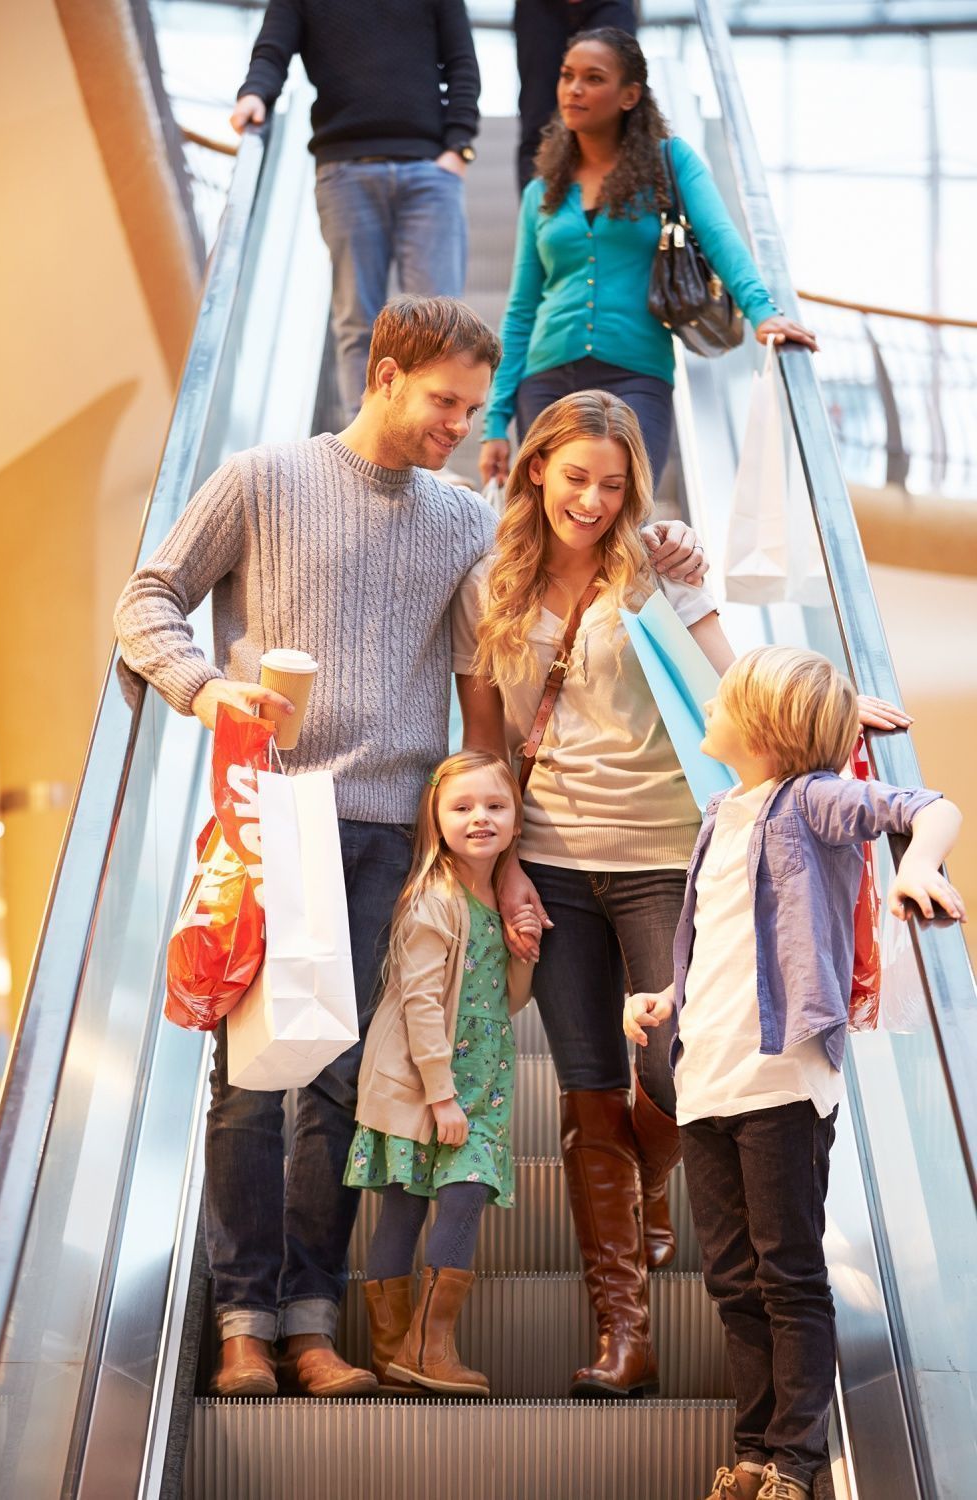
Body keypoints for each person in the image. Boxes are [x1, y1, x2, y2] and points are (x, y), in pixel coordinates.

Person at [113, 294, 704, 1400]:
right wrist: (205, 690)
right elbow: (150, 597)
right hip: (275, 820)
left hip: (396, 833)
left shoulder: (460, 518)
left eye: (476, 407)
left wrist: (490, 854)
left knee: (343, 1087)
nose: (458, 425)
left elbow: (501, 678)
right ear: (383, 374)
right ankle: (242, 1319)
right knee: (249, 1085)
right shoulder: (261, 478)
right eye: (445, 402)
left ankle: (309, 1319)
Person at [456, 390, 909, 1399]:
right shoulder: (488, 584)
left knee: (670, 1070)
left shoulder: (656, 564)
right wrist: (505, 868)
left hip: (669, 852)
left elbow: (733, 675)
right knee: (583, 1090)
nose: (592, 499)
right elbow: (482, 741)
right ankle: (625, 1335)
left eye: (612, 485)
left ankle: (657, 1179)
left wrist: (829, 709)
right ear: (536, 470)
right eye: (576, 478)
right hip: (552, 862)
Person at [624, 647, 964, 1500]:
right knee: (732, 1278)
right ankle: (749, 1453)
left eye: (726, 698)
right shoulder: (720, 814)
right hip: (708, 1079)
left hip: (781, 1080)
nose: (710, 705)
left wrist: (916, 865)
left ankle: (796, 1459)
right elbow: (728, 937)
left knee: (788, 1271)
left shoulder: (809, 801)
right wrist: (668, 995)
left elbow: (931, 805)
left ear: (767, 726)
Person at [479, 27, 817, 492]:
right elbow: (521, 309)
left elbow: (720, 238)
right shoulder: (542, 191)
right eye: (567, 75)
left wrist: (763, 312)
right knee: (548, 525)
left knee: (625, 516)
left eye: (594, 78)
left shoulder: (669, 161)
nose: (574, 88)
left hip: (637, 374)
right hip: (546, 378)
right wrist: (495, 421)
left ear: (629, 95)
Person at [345, 750, 538, 1396]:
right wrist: (440, 1095)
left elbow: (506, 1002)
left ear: (516, 819)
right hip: (429, 1088)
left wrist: (524, 953)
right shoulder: (433, 900)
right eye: (462, 807)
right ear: (436, 818)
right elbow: (422, 1003)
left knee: (465, 1189)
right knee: (409, 1211)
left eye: (494, 806)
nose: (480, 817)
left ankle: (422, 1347)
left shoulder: (494, 901)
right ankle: (403, 1351)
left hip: (481, 1089)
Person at [231, 0, 480, 424]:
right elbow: (272, 49)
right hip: (344, 170)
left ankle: (431, 447)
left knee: (443, 325)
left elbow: (462, 65)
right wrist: (255, 94)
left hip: (428, 170)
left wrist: (458, 148)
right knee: (358, 322)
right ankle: (362, 448)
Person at [514, 0, 638, 191]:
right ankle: (541, 217)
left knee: (615, 114)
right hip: (539, 7)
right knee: (539, 124)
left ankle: (615, 209)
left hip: (610, 4)